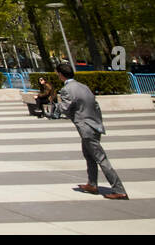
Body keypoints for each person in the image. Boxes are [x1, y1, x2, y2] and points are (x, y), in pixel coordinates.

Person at [52, 62, 128, 199]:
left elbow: (64, 107)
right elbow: (96, 105)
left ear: (60, 75)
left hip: (85, 128)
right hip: (94, 125)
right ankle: (92, 184)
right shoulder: (83, 86)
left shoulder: (67, 89)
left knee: (101, 158)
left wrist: (54, 107)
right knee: (89, 156)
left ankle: (119, 190)